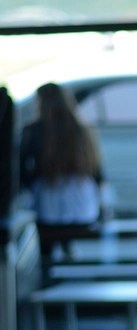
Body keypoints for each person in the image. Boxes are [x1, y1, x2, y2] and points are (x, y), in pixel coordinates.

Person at [19, 82, 108, 270]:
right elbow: (98, 174)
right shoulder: (83, 130)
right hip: (84, 209)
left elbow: (23, 173)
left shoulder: (34, 131)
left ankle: (48, 274)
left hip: (49, 210)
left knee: (40, 231)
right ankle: (67, 259)